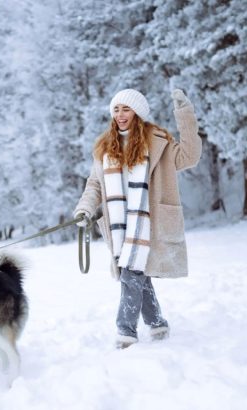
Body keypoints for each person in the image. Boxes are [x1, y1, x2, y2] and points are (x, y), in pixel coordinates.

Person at [73, 88, 201, 349]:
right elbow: (95, 185)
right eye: (117, 109)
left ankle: (126, 333)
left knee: (131, 274)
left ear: (138, 112)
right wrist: (85, 209)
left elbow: (190, 156)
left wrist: (184, 113)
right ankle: (157, 324)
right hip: (120, 226)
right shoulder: (104, 148)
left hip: (148, 223)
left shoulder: (158, 142)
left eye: (126, 109)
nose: (120, 115)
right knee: (136, 274)